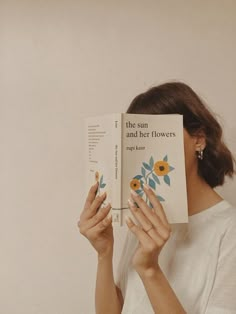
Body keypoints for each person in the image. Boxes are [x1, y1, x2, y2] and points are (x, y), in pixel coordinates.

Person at [78, 82, 236, 314]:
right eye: (138, 140)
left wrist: (150, 269)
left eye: (159, 135)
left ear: (199, 139)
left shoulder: (229, 229)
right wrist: (104, 253)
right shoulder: (147, 214)